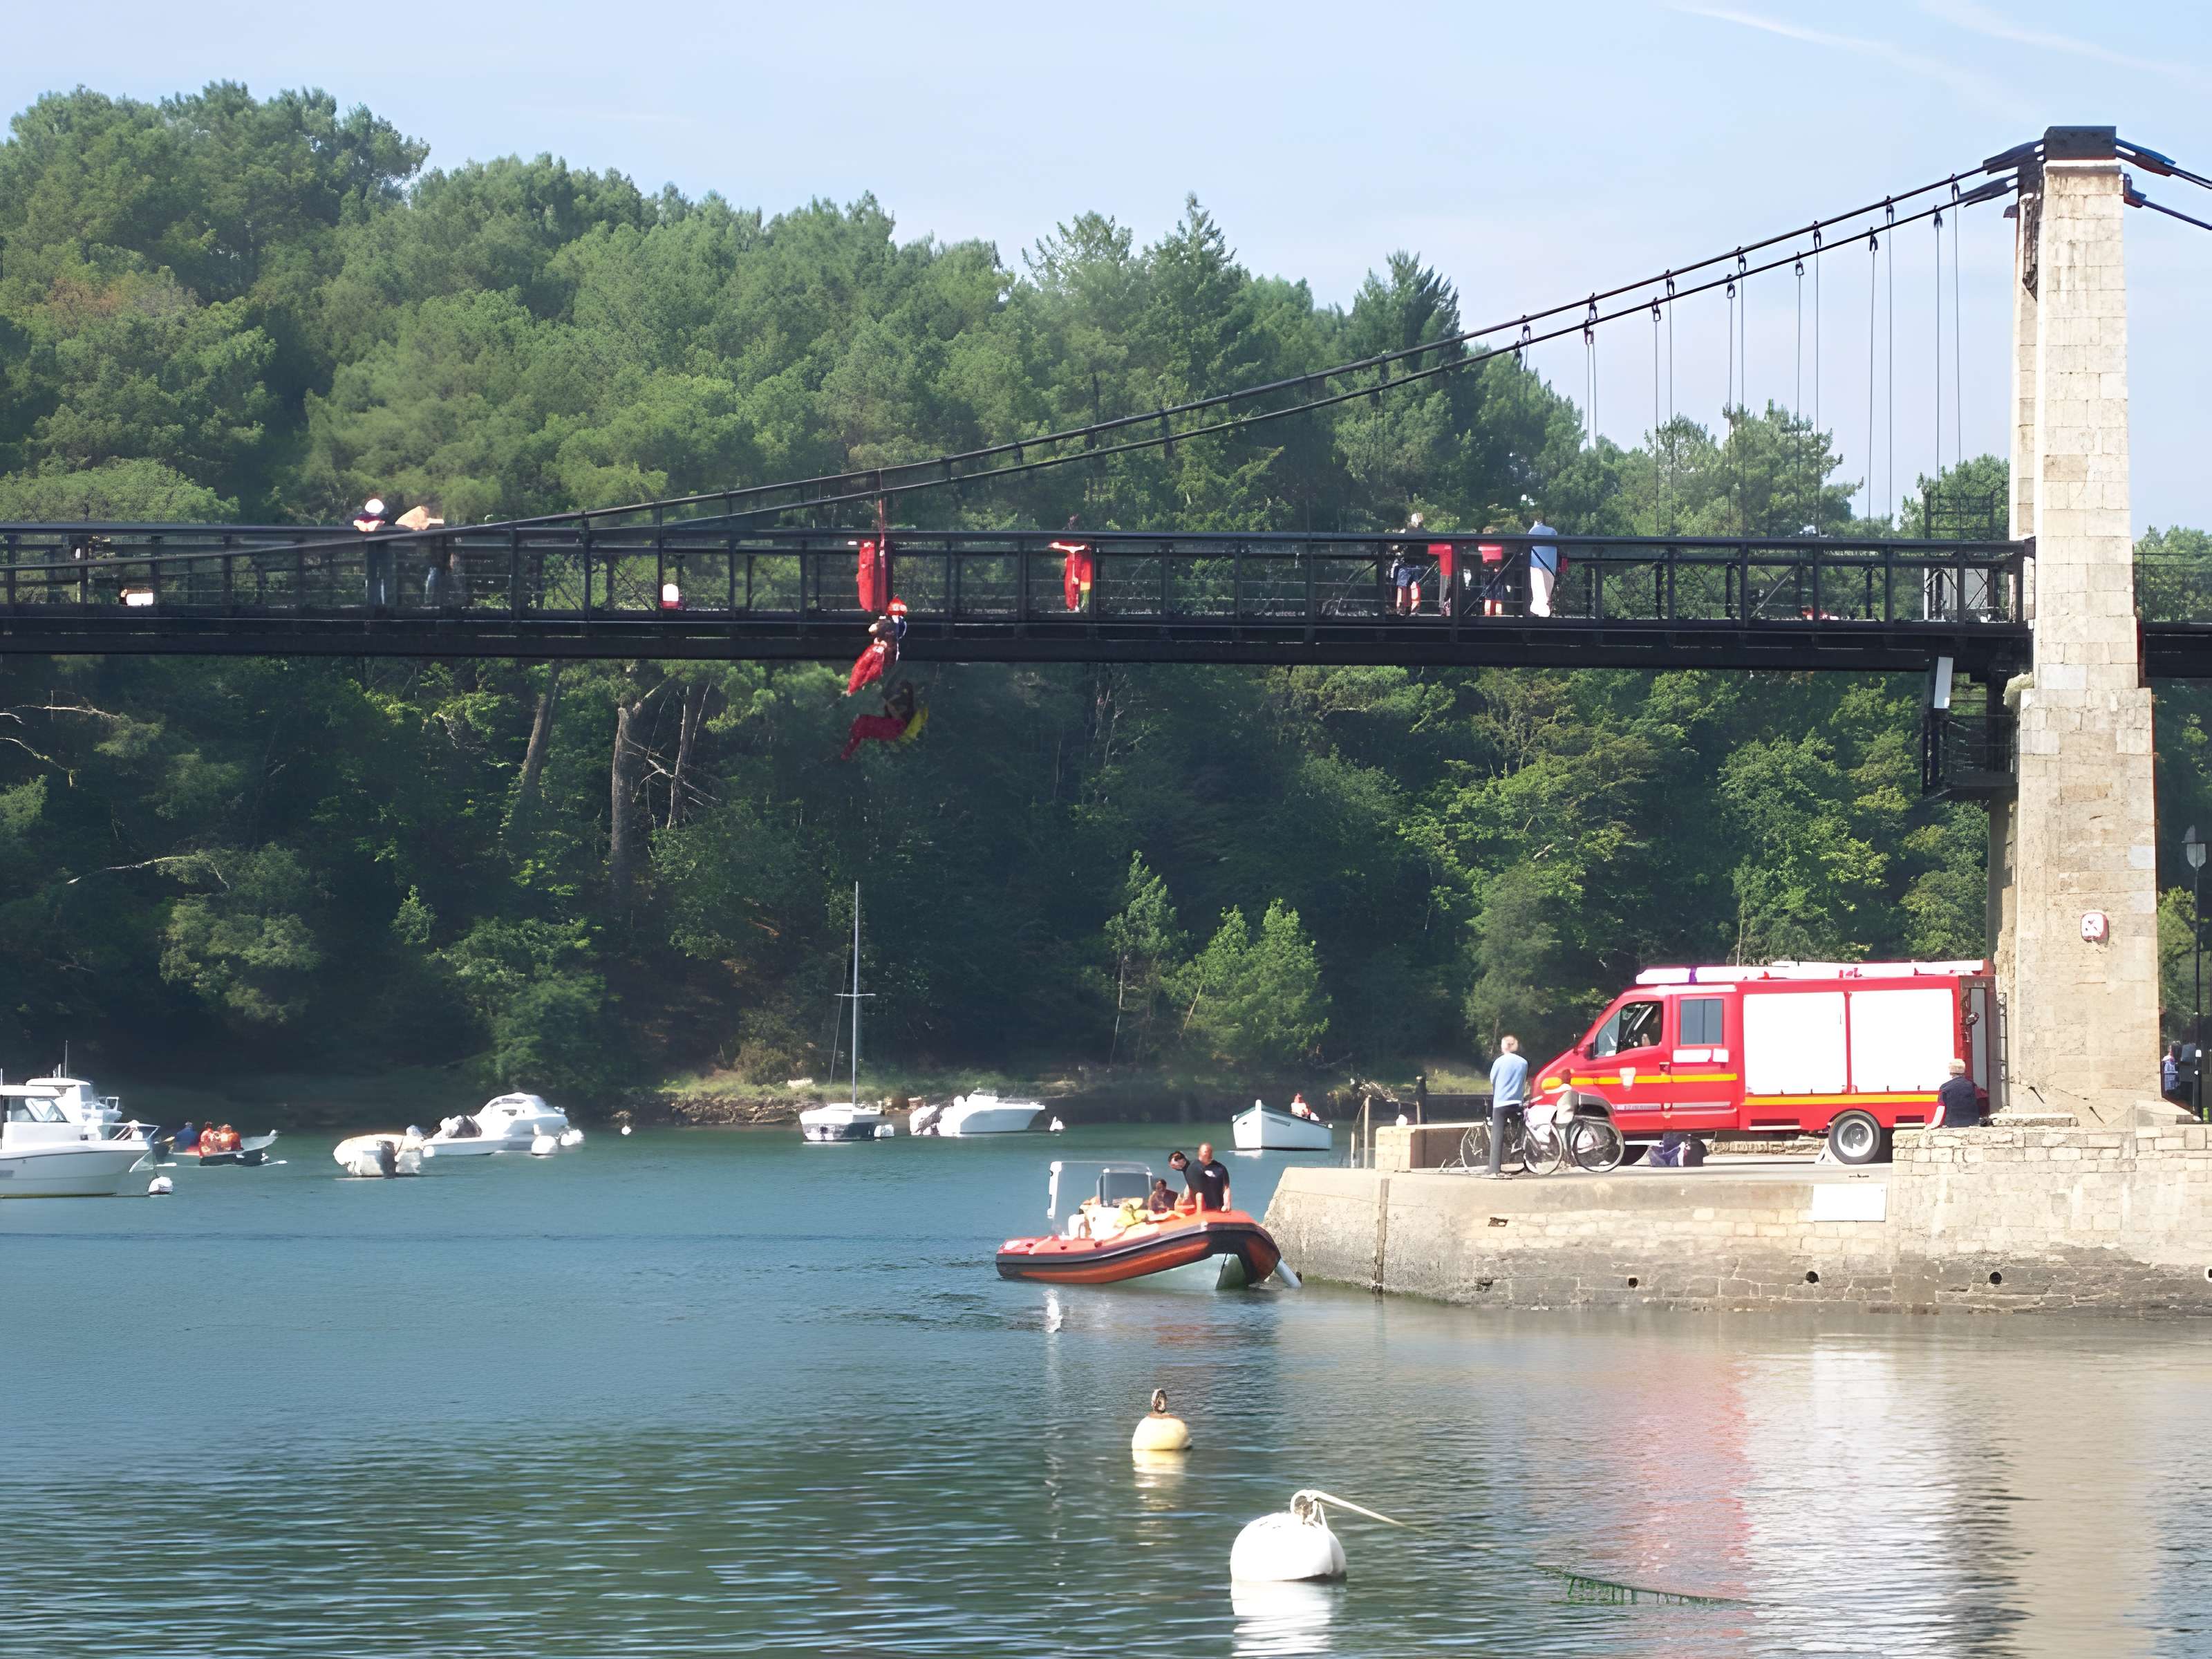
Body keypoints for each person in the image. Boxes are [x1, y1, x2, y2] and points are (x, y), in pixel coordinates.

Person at [1487, 1035, 1529, 1178]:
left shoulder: (1499, 1062)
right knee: (1522, 1126)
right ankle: (1525, 1156)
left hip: (1501, 1103)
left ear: (1504, 1046)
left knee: (1497, 1134)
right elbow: (1523, 1079)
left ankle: (1494, 1169)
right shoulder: (1523, 1063)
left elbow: (1493, 1080)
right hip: (1517, 1102)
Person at [355, 496, 395, 610]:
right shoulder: (361, 520)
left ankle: (384, 603)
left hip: (384, 552)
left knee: (384, 577)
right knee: (372, 577)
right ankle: (373, 602)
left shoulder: (387, 521)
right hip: (372, 553)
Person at [1526, 515, 1562, 618]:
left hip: (1535, 563)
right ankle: (1541, 606)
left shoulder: (1533, 530)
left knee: (1537, 587)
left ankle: (1538, 606)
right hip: (1548, 564)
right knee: (1545, 587)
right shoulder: (1552, 532)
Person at [1389, 513, 1423, 616]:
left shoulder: (1406, 532)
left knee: (1402, 585)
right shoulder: (1425, 533)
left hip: (1406, 563)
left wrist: (1396, 550)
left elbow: (1396, 546)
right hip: (1418, 564)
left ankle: (1401, 607)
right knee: (1414, 584)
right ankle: (1413, 607)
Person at [1935, 1058, 1983, 1128]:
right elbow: (1980, 1101)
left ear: (1950, 1073)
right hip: (1972, 1122)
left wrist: (1935, 1124)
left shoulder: (1944, 1087)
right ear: (1964, 1072)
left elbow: (1941, 1107)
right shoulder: (1972, 1086)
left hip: (1952, 1123)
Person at [1190, 1141, 1232, 1211]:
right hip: (1200, 1208)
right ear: (1199, 1153)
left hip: (1218, 1207)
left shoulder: (1220, 1168)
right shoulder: (1193, 1167)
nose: (1206, 1154)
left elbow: (1226, 1189)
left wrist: (1227, 1205)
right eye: (1204, 1152)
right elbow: (1190, 1187)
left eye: (1208, 1152)